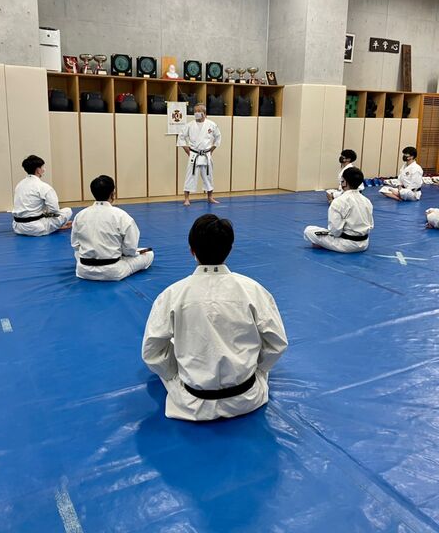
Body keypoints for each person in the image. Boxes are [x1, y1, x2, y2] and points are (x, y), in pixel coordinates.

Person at [142, 214, 288, 421]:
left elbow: (151, 352)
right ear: (230, 249)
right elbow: (277, 343)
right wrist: (259, 368)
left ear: (192, 250)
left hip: (191, 403)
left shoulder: (171, 294)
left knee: (172, 344)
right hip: (247, 398)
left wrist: (173, 373)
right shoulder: (254, 290)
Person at [71, 175, 153, 281]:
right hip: (113, 271)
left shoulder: (80, 215)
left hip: (83, 270)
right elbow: (130, 249)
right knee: (149, 254)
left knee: (78, 252)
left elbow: (75, 245)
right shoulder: (122, 216)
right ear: (112, 194)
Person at [304, 167, 373, 253]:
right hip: (364, 243)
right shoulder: (367, 201)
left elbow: (335, 231)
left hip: (346, 245)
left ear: (344, 182)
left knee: (309, 230)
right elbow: (370, 224)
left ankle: (323, 244)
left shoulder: (339, 201)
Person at [12, 155, 72, 236]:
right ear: (38, 170)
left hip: (18, 227)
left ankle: (53, 224)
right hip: (35, 228)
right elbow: (54, 210)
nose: (44, 169)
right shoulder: (44, 187)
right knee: (67, 211)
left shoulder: (19, 185)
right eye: (43, 167)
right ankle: (56, 226)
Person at [178, 103, 221, 206]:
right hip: (194, 154)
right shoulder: (189, 125)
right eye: (195, 111)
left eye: (198, 111)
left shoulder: (211, 125)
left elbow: (218, 137)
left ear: (204, 113)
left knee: (208, 176)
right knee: (190, 176)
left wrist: (212, 150)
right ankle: (186, 199)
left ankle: (210, 197)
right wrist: (187, 150)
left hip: (206, 155)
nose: (196, 113)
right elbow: (181, 137)